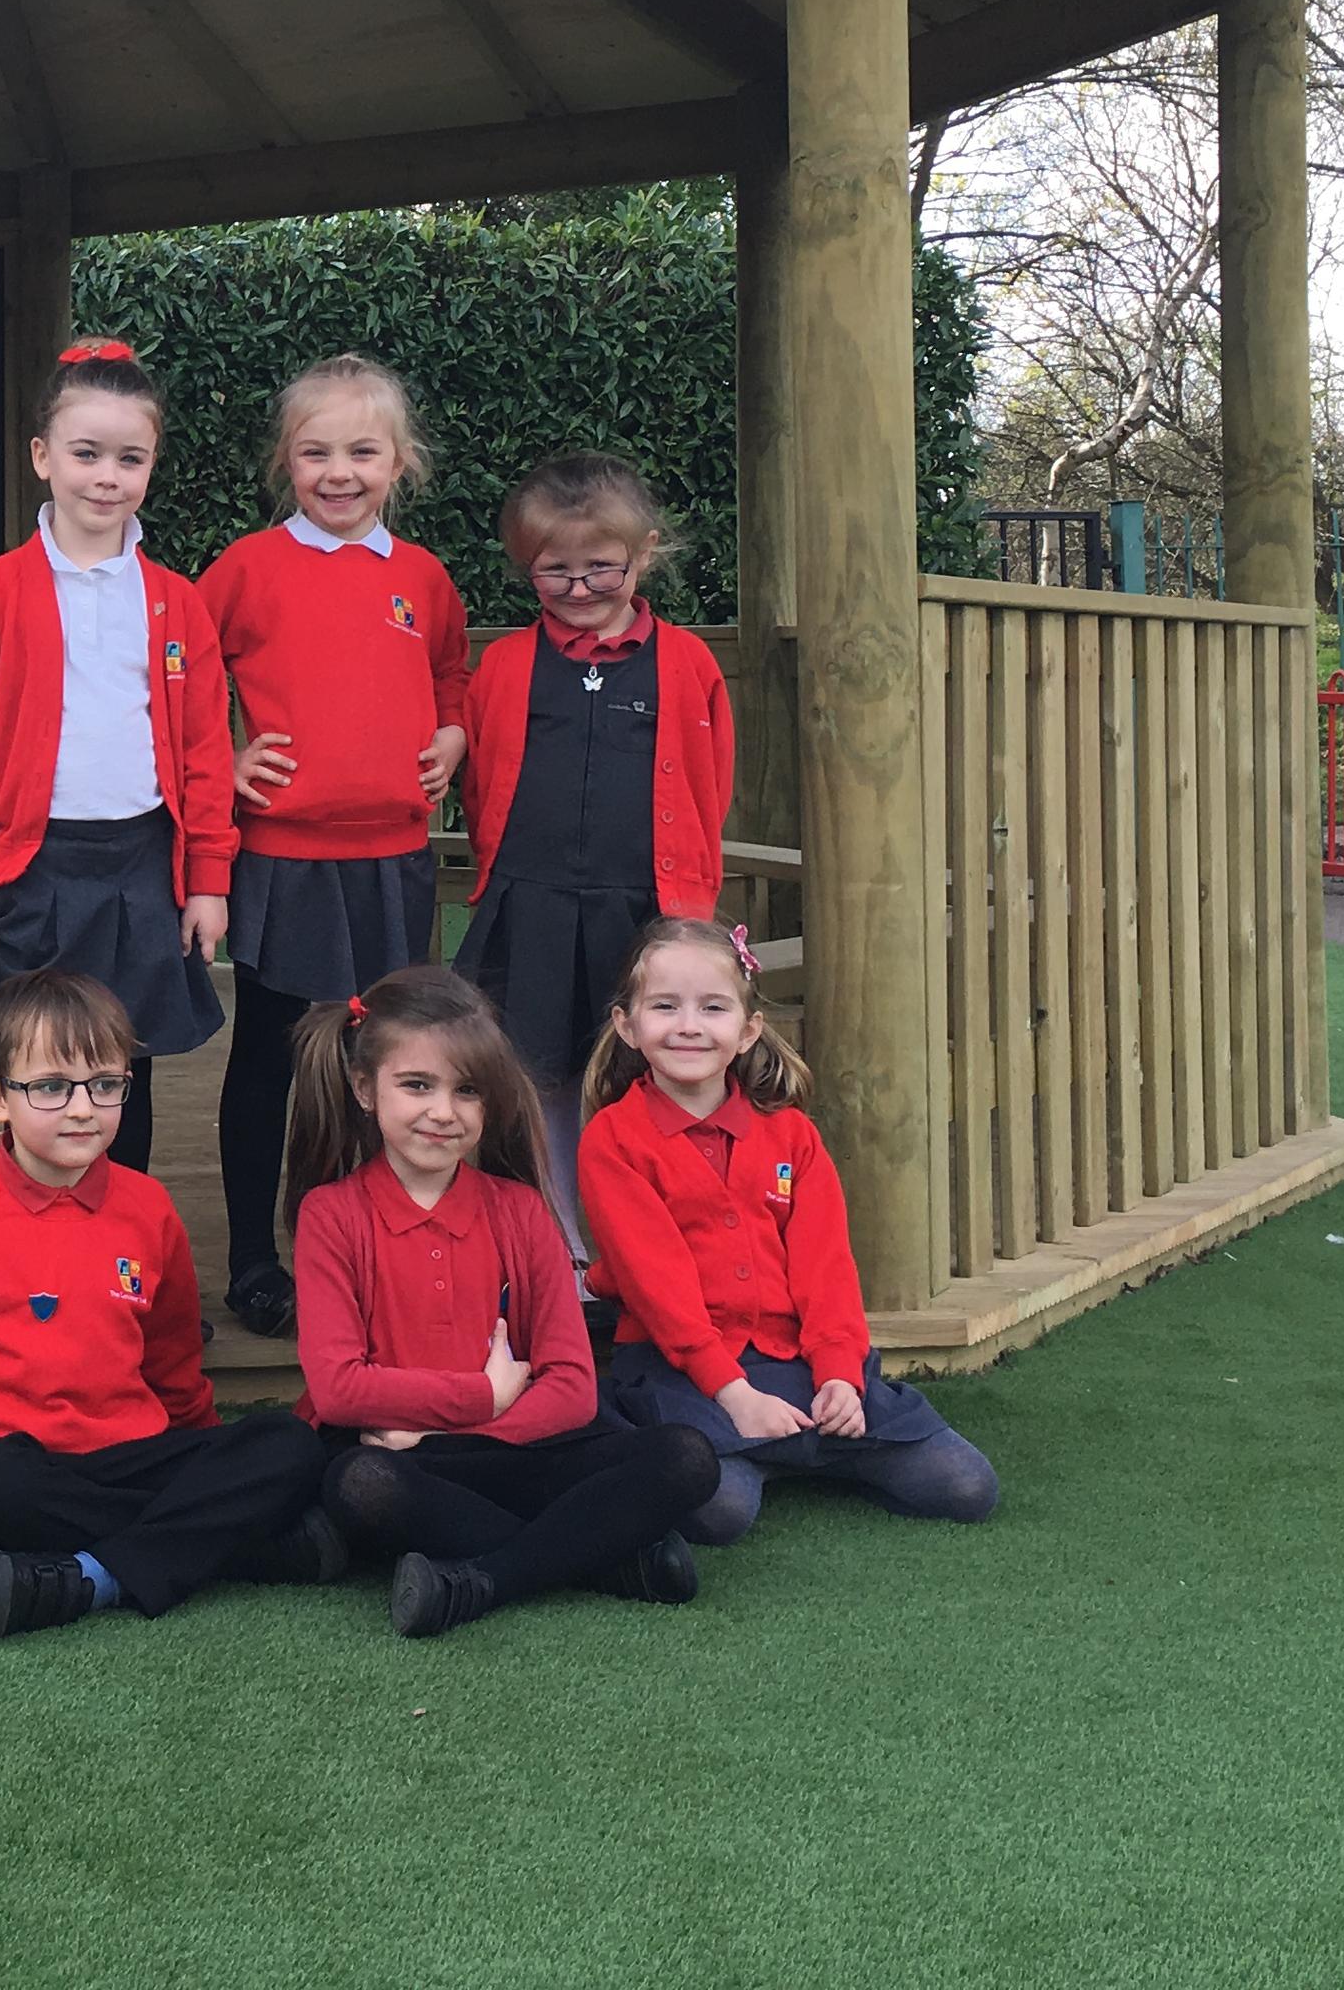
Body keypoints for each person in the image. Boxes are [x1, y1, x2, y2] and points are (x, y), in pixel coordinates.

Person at [0, 970, 338, 1639]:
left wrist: (208, 1455)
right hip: (12, 1466)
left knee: (289, 1445)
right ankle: (245, 1548)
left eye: (105, 1085)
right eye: (51, 1087)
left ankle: (87, 1579)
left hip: (130, 1455)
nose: (83, 1108)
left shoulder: (149, 1208)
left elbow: (172, 1358)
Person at [286, 965, 719, 1638]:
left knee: (687, 1458)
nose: (443, 1111)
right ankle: (601, 1559)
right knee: (361, 1486)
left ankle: (487, 1579)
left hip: (502, 1446)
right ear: (365, 1090)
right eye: (417, 1085)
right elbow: (341, 1391)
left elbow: (572, 1386)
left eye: (467, 1091)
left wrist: (461, 1429)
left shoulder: (520, 1211)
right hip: (403, 1462)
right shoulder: (331, 1216)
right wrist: (480, 1397)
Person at [199, 356, 470, 1338]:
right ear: (286, 461)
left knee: (386, 1058)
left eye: (363, 450)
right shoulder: (247, 569)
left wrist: (454, 734)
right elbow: (177, 670)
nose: (338, 470)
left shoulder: (424, 579)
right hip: (282, 855)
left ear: (402, 463)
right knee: (271, 1058)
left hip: (393, 857)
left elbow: (450, 675)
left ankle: (378, 1246)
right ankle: (253, 1260)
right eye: (315, 452)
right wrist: (222, 757)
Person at [575, 920, 1001, 1544]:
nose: (689, 1025)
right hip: (688, 1367)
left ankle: (796, 1442)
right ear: (627, 1025)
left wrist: (840, 1378)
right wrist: (735, 1396)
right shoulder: (612, 1140)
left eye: (713, 1007)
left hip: (799, 1359)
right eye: (664, 1006)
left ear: (748, 1031)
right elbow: (656, 1284)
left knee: (967, 1486)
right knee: (717, 1513)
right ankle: (730, 1443)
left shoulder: (793, 1137)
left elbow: (826, 1266)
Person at [0, 339, 236, 1182]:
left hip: (140, 871)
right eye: (86, 453)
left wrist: (206, 880)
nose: (107, 476)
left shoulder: (178, 601)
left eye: (130, 458)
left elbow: (206, 755)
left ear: (151, 466)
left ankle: (117, 1267)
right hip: (31, 870)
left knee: (118, 1078)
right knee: (39, 1075)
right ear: (43, 458)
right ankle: (36, 1257)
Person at [453, 451, 734, 1200]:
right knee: (531, 1078)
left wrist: (689, 912)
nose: (579, 589)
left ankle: (646, 1244)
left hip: (641, 910)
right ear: (527, 566)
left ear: (644, 553)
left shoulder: (688, 663)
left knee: (641, 1078)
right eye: (556, 572)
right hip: (531, 906)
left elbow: (710, 784)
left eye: (602, 569)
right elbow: (481, 784)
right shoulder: (506, 665)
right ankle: (558, 1250)